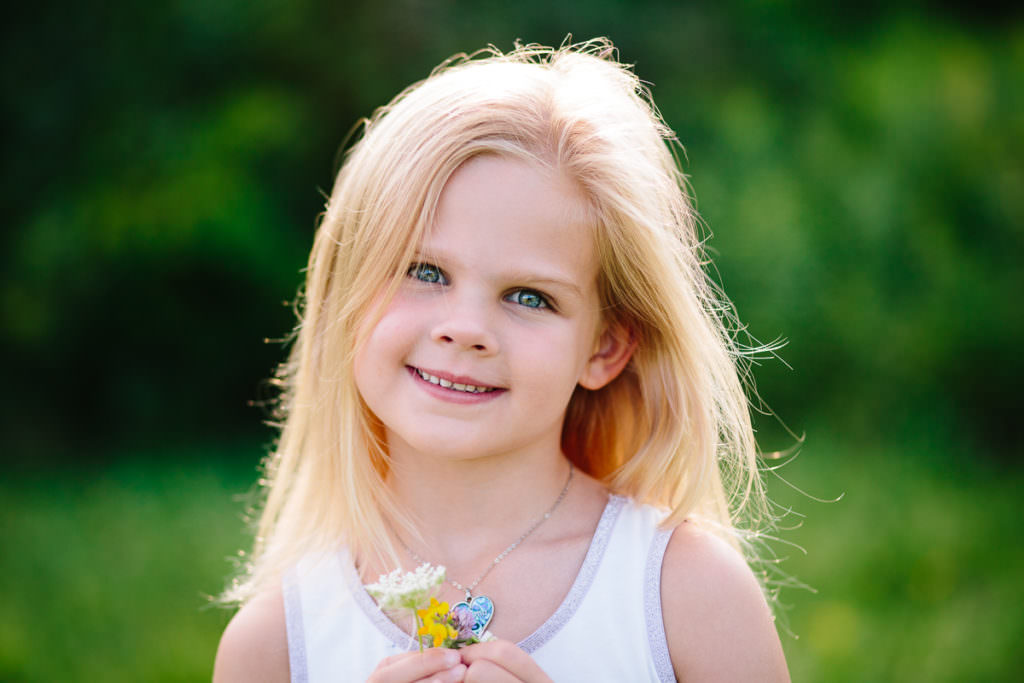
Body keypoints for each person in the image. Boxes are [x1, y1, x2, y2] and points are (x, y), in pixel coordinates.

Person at [213, 39, 791, 682]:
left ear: (605, 347)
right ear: (347, 291)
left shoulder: (686, 595)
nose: (466, 330)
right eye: (425, 270)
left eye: (529, 296)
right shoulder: (276, 644)